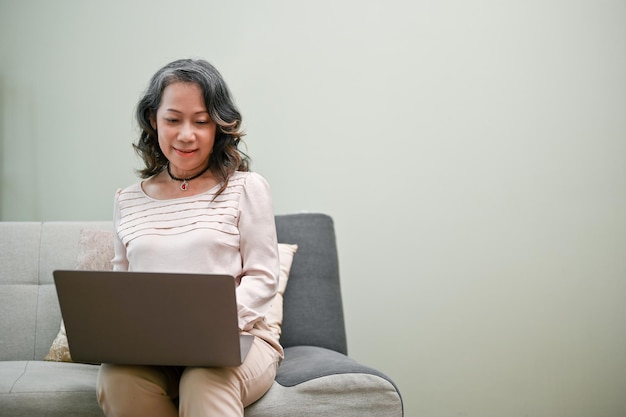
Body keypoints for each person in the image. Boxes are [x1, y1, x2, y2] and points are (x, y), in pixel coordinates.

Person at [96, 58, 282, 417]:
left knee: (203, 379)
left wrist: (212, 327)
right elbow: (122, 286)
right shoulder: (127, 199)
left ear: (218, 126)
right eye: (172, 119)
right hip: (153, 347)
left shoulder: (247, 188)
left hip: (237, 340)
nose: (186, 134)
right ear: (153, 120)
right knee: (116, 378)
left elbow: (263, 277)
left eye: (201, 121)